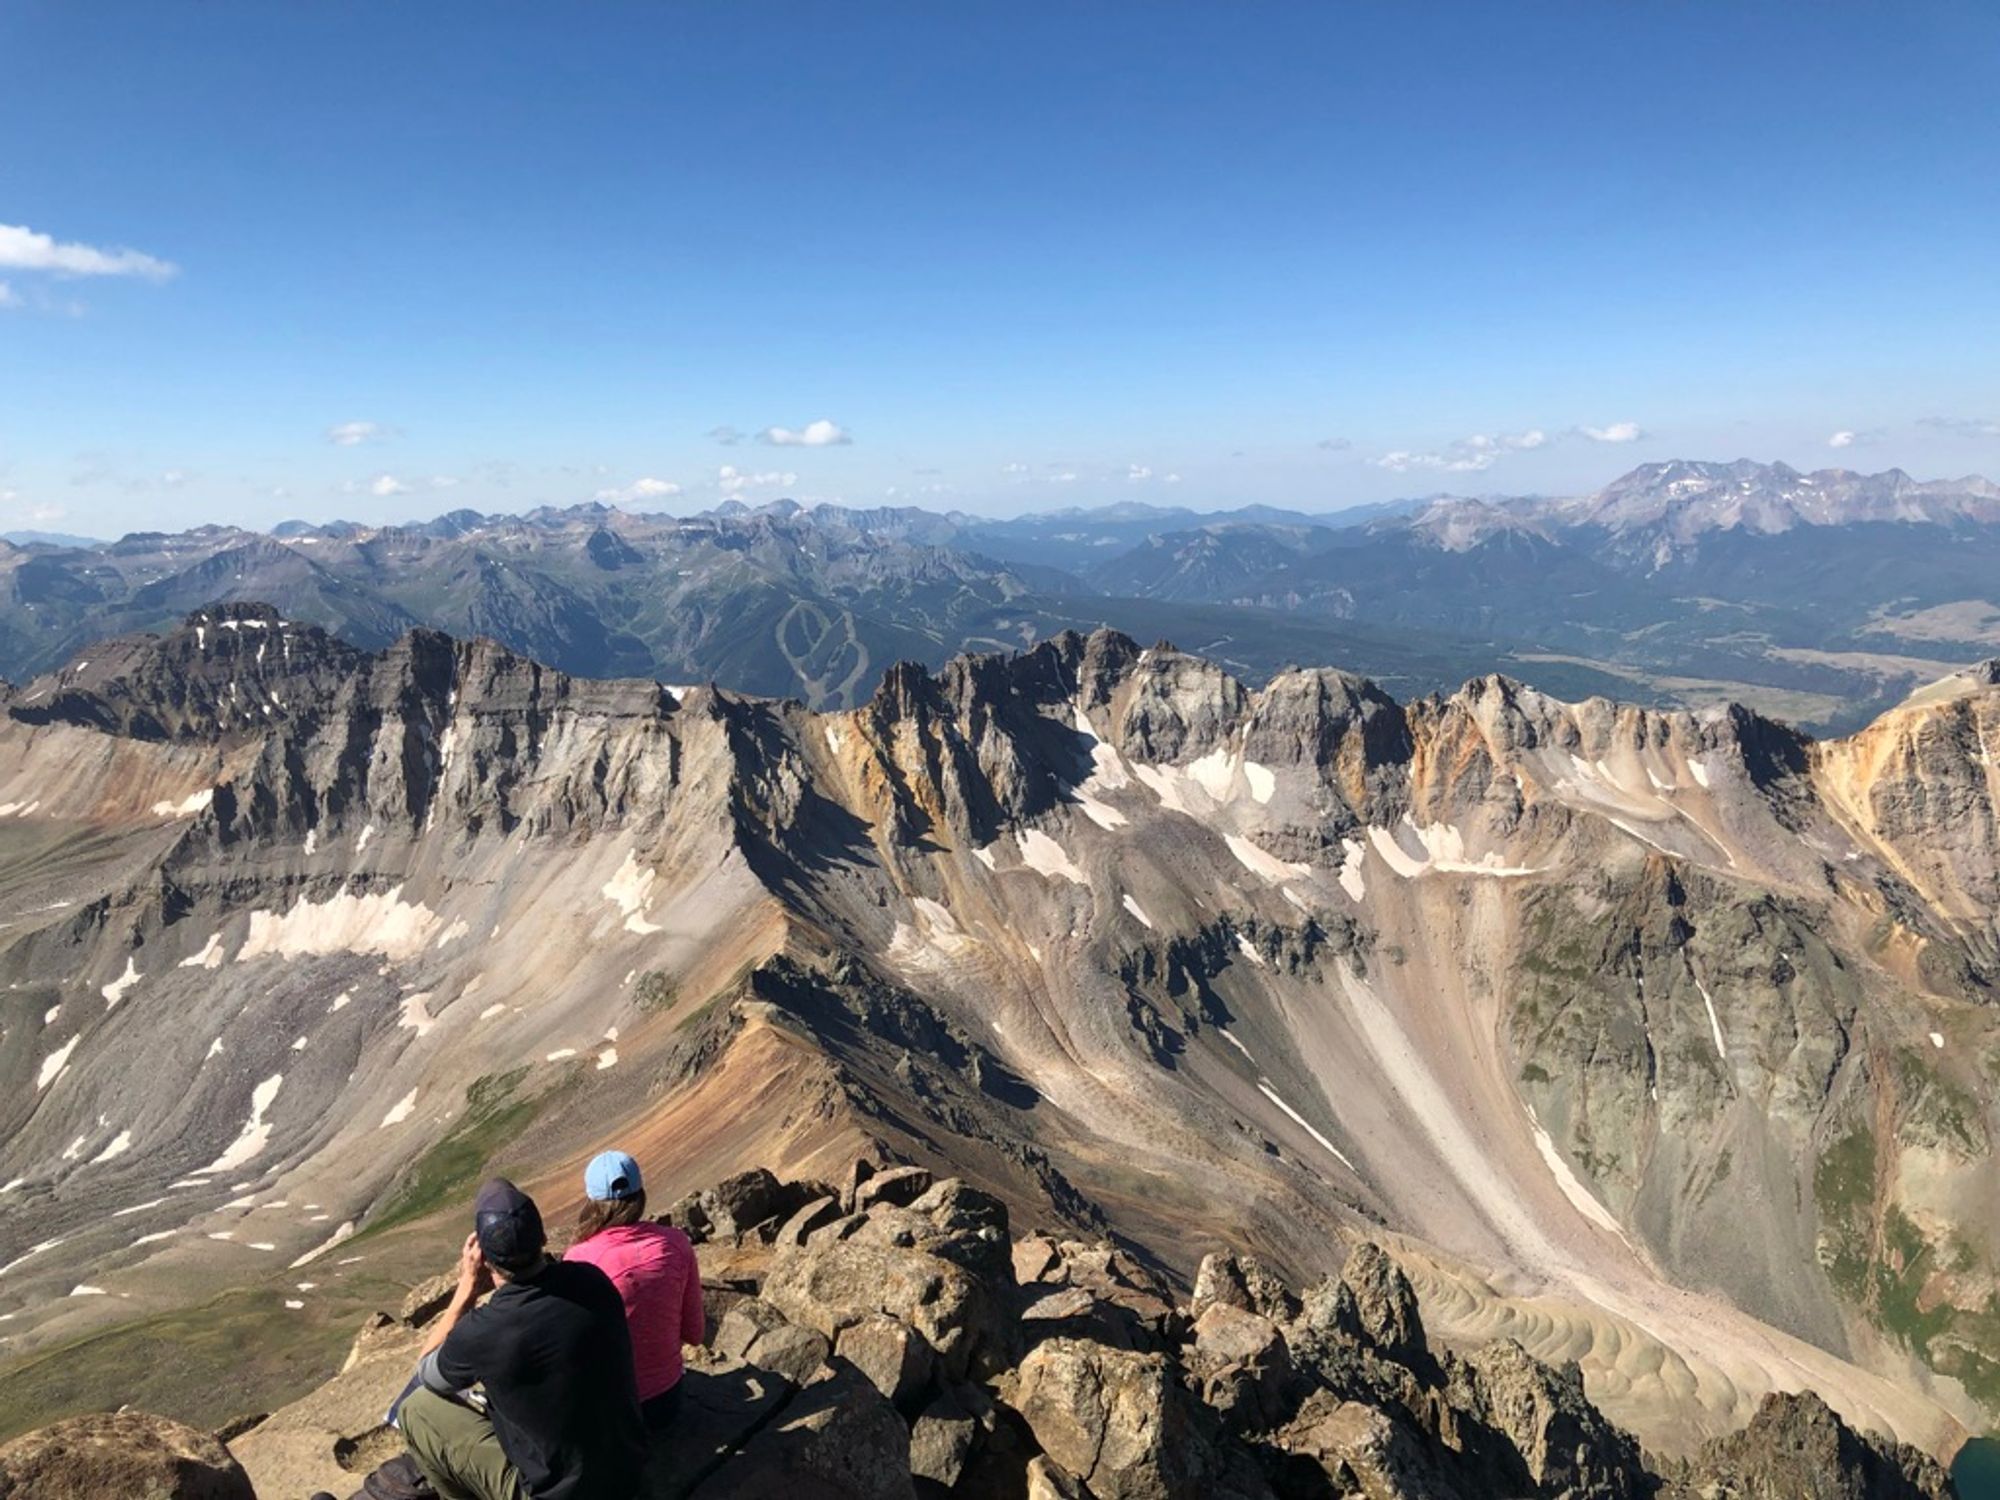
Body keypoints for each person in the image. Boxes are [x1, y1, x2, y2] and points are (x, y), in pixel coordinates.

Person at [399, 1177, 646, 1500]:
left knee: (414, 1410)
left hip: (556, 1494)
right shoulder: (593, 1280)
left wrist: (466, 1288)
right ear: (543, 1237)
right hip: (627, 1471)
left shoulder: (482, 1332)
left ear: (483, 1257)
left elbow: (427, 1375)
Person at [562, 1150, 704, 1432]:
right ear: (640, 1194)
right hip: (667, 1402)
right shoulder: (676, 1243)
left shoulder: (578, 1259)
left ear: (592, 1202)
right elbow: (695, 1334)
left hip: (614, 1414)